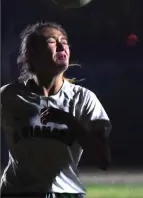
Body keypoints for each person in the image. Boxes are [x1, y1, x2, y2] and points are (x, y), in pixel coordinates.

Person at [0, 21, 112, 198]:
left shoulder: (83, 99)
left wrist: (71, 123)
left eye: (64, 41)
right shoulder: (8, 96)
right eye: (51, 41)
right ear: (30, 55)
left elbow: (103, 160)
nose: (62, 46)